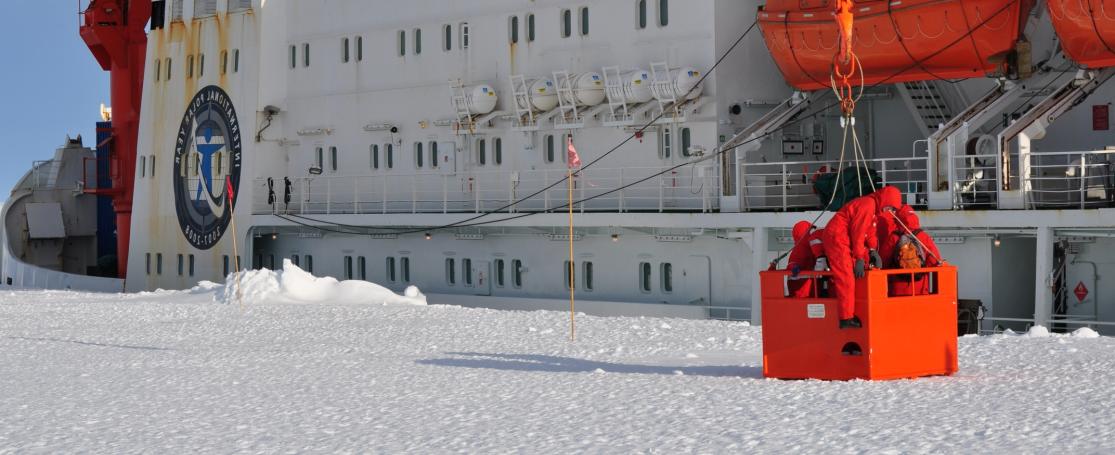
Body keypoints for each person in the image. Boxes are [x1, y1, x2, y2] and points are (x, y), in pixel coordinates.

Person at [821, 185, 902, 328]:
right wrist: (859, 257)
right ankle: (846, 318)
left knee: (854, 271)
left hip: (842, 237)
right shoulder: (868, 206)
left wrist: (872, 250)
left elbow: (869, 231)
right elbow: (858, 233)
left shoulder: (871, 207)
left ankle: (852, 308)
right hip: (837, 238)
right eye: (890, 207)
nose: (889, 211)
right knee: (845, 275)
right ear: (885, 200)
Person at [887, 206, 942, 296]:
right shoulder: (923, 236)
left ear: (898, 220)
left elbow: (884, 261)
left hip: (898, 289)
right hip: (920, 289)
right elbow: (934, 261)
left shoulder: (894, 238)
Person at [786, 221, 827, 298]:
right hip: (801, 292)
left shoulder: (811, 247)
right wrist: (794, 267)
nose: (812, 232)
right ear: (804, 233)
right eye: (810, 230)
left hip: (811, 290)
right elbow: (793, 263)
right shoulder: (799, 249)